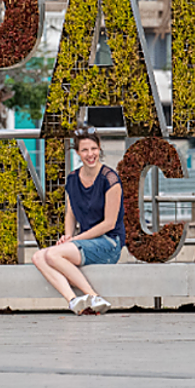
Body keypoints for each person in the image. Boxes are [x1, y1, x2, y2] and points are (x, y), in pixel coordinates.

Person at [31, 126, 123, 314]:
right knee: (38, 257)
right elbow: (71, 213)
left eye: (94, 149)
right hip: (85, 242)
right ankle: (74, 301)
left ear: (99, 149)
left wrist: (76, 240)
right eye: (85, 150)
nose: (90, 154)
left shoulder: (111, 179)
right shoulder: (73, 178)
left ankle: (93, 296)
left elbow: (109, 224)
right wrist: (67, 236)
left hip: (109, 243)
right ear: (78, 153)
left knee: (52, 255)